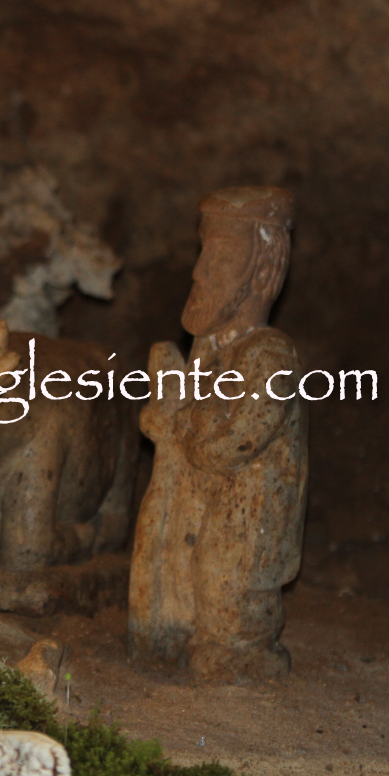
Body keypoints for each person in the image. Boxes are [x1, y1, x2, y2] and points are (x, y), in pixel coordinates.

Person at [128, 186, 308, 680]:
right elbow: (181, 419)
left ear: (263, 271)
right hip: (211, 507)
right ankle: (190, 636)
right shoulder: (210, 352)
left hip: (252, 514)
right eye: (202, 252)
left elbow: (236, 443)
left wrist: (184, 425)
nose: (199, 271)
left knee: (227, 579)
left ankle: (247, 647)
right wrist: (170, 418)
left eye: (220, 256)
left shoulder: (268, 355)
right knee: (200, 572)